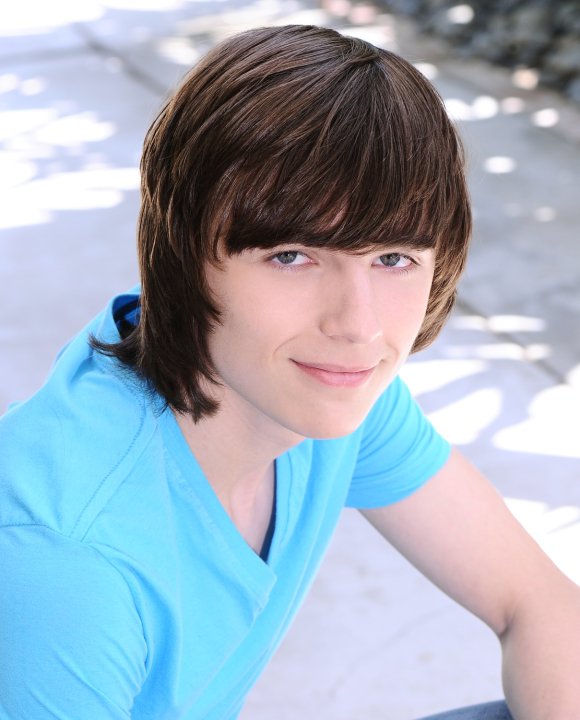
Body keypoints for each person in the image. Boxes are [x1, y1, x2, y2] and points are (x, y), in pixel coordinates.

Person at [0, 24, 578, 720]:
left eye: (392, 259)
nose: (358, 325)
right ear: (183, 256)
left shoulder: (323, 387)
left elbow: (536, 602)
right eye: (291, 257)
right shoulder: (66, 565)